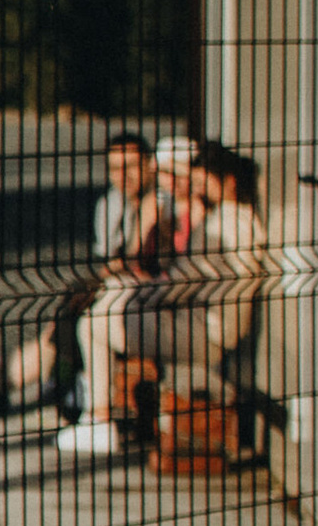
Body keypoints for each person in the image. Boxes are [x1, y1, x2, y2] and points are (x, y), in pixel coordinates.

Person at [56, 139, 269, 458]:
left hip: (203, 332)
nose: (200, 188)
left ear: (228, 181)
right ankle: (95, 414)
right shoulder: (233, 218)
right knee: (109, 304)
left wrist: (143, 293)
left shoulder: (225, 223)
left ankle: (98, 418)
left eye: (205, 181)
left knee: (95, 324)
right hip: (202, 323)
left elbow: (183, 280)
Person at [0, 130, 164, 422]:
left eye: (131, 166)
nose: (123, 176)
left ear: (150, 164)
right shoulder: (110, 205)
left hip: (141, 299)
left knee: (65, 323)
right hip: (117, 291)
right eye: (114, 169)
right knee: (65, 318)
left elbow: (133, 261)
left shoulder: (158, 202)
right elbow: (112, 261)